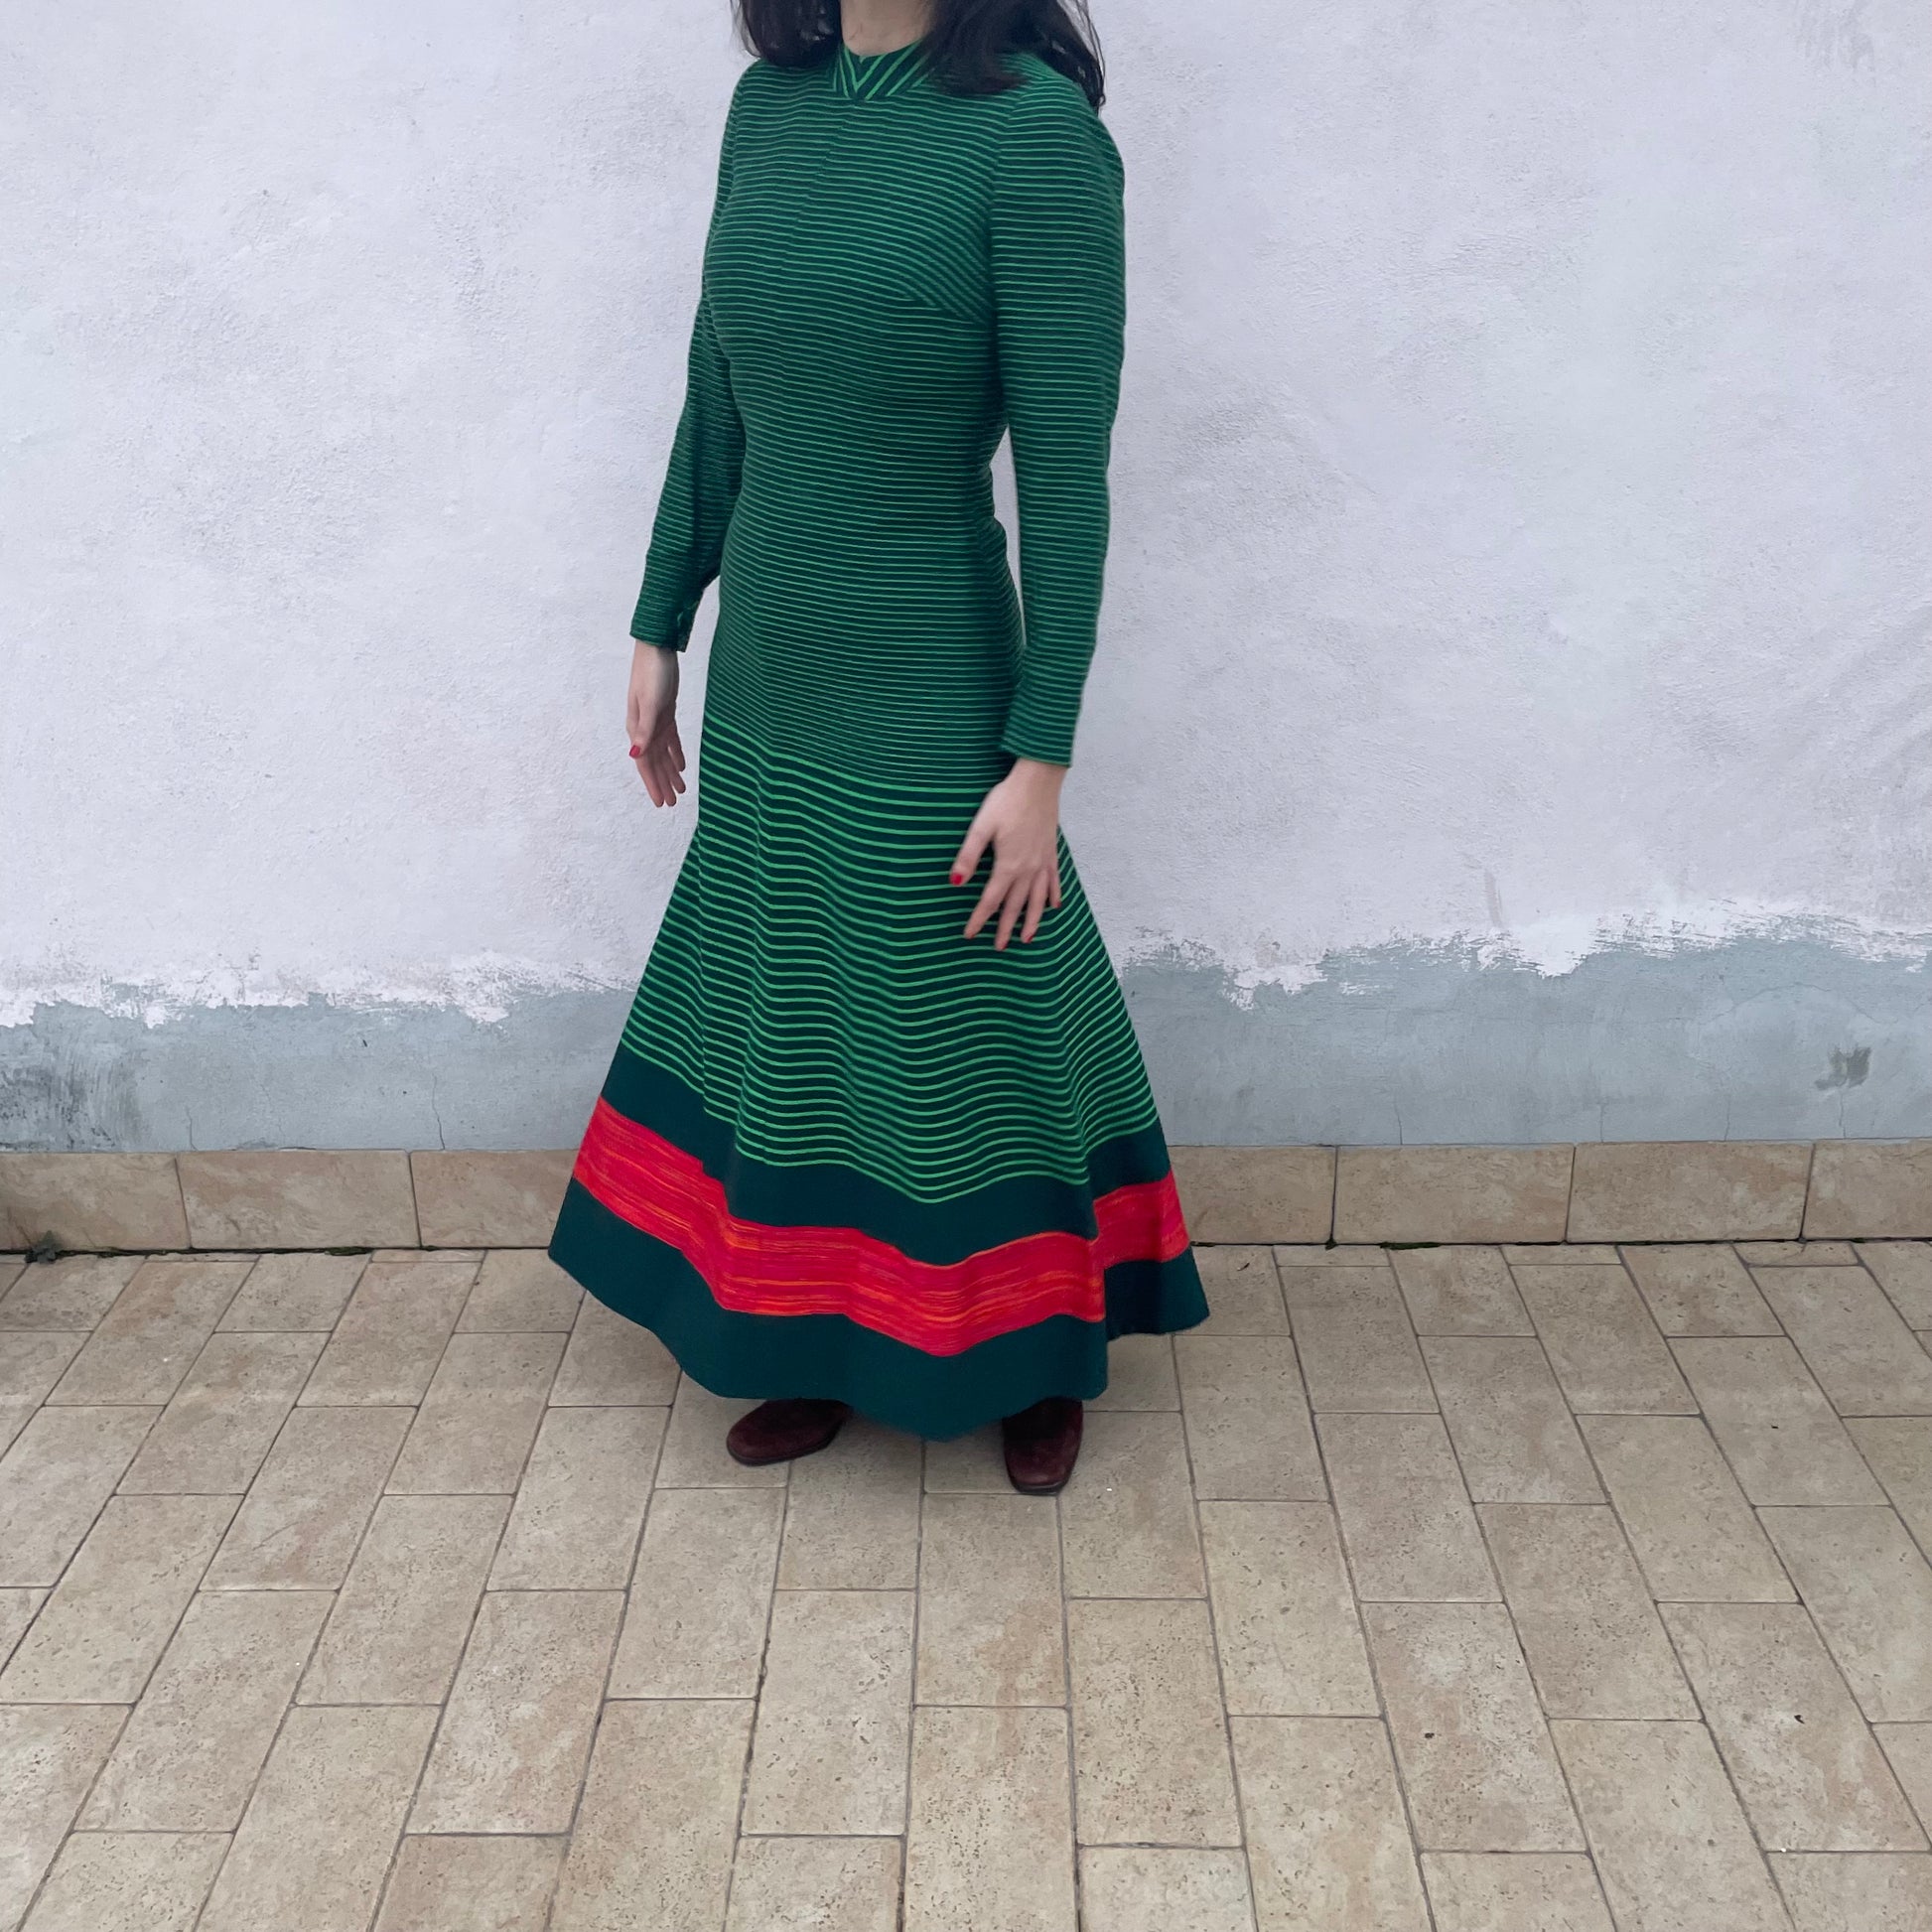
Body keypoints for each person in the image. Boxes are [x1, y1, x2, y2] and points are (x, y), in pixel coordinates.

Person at [549, 0, 1206, 1495]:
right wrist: (660, 619)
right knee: (797, 1009)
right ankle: (811, 1333)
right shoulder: (768, 111)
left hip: (932, 669)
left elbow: (1069, 476)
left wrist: (1041, 757)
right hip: (770, 666)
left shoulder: (1035, 136)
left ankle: (1036, 1347)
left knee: (974, 1013)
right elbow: (717, 393)